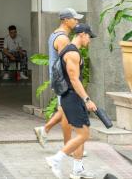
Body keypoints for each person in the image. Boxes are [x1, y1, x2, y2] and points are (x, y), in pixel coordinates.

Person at [46, 24, 97, 179]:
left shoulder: (71, 50)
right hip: (72, 97)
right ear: (82, 34)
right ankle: (55, 160)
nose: (90, 40)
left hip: (73, 97)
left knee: (83, 132)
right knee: (83, 134)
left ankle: (77, 170)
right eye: (89, 36)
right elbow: (74, 79)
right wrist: (87, 99)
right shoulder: (72, 53)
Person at [34, 8, 82, 147]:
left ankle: (44, 130)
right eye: (74, 19)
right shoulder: (62, 38)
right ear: (66, 20)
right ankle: (68, 147)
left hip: (58, 79)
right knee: (67, 113)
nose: (77, 21)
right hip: (63, 81)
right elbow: (66, 61)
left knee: (64, 110)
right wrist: (73, 81)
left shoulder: (55, 34)